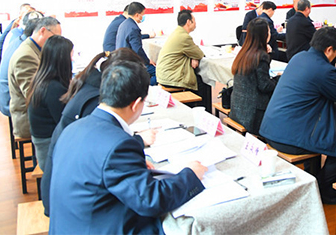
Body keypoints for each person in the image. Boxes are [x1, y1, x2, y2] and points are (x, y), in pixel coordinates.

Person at [49, 61, 206, 233]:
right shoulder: (118, 145)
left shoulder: (74, 128)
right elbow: (150, 201)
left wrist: (132, 167)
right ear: (136, 104)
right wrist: (190, 175)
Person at [41, 48, 149, 215]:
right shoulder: (94, 101)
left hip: (63, 190)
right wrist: (137, 145)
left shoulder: (92, 84)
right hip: (69, 204)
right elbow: (146, 198)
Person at [260, 26, 336, 203]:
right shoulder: (323, 70)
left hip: (271, 130)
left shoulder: (299, 57)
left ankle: (316, 181)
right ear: (329, 50)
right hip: (290, 138)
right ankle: (324, 190)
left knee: (330, 137)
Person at [8, 17, 61, 138]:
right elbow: (33, 95)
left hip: (35, 112)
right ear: (43, 31)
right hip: (29, 119)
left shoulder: (34, 49)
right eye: (55, 37)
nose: (56, 42)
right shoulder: (26, 56)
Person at [27, 35, 73, 170]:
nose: (72, 59)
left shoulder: (42, 80)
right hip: (49, 151)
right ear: (62, 59)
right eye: (70, 56)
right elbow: (65, 122)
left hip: (45, 145)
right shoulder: (53, 89)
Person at [230, 18, 277, 135]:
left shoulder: (243, 52)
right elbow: (265, 86)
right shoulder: (260, 56)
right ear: (264, 35)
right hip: (254, 115)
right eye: (268, 31)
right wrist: (278, 80)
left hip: (237, 109)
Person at [156, 10, 210, 109]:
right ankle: (201, 110)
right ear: (189, 22)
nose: (195, 23)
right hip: (172, 78)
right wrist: (194, 56)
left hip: (164, 75)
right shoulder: (184, 37)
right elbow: (200, 54)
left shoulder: (176, 33)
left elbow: (192, 52)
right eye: (194, 20)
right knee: (203, 82)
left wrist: (193, 56)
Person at [0, 11, 44, 117]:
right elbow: (31, 92)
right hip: (12, 103)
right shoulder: (25, 52)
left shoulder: (18, 39)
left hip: (8, 97)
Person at [115, 1, 157, 85]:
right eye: (143, 14)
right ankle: (145, 87)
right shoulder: (133, 28)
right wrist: (147, 61)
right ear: (137, 15)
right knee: (159, 73)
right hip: (130, 63)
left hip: (121, 60)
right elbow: (137, 49)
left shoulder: (123, 24)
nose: (143, 17)